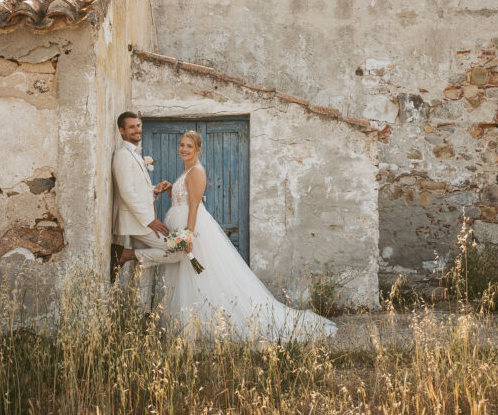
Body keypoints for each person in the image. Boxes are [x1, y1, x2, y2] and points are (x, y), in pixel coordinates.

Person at [155, 130, 337, 342]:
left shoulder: (196, 171)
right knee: (186, 275)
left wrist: (188, 234)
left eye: (189, 146)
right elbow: (184, 200)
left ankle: (204, 322)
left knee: (199, 276)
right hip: (181, 226)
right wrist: (171, 189)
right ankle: (190, 323)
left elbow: (194, 206)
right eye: (182, 145)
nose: (184, 149)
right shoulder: (187, 170)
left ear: (198, 149)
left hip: (193, 230)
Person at [110, 111, 192, 283]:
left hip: (141, 221)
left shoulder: (135, 153)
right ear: (121, 131)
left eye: (138, 126)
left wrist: (154, 190)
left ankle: (141, 302)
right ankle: (126, 254)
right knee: (178, 251)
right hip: (138, 222)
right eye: (131, 127)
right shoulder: (123, 155)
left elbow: (137, 189)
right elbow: (127, 193)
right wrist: (150, 220)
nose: (137, 130)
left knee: (143, 270)